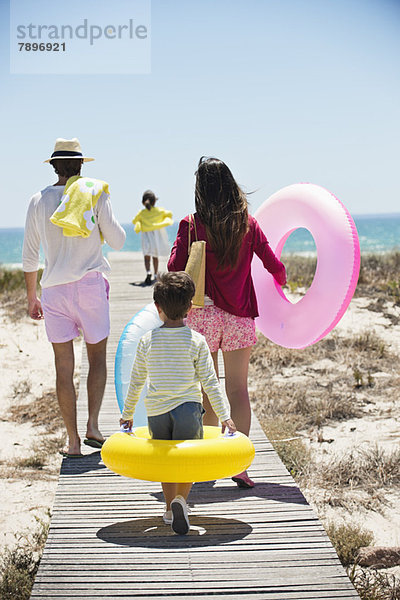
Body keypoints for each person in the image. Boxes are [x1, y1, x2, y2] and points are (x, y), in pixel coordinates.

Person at [168, 157, 286, 489]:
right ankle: (238, 464)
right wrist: (282, 281)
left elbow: (175, 268)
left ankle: (207, 462)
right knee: (238, 390)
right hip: (239, 316)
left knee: (208, 391)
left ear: (200, 190)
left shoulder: (190, 225)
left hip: (202, 317)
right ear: (231, 185)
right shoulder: (247, 224)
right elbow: (274, 265)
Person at [22, 137, 126, 458]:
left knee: (63, 367)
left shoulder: (38, 200)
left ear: (54, 166)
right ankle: (93, 425)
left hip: (54, 291)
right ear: (81, 165)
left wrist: (31, 297)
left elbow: (29, 257)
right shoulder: (95, 192)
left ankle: (73, 442)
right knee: (96, 360)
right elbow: (118, 241)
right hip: (90, 285)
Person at [120, 271, 236, 535]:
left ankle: (170, 511)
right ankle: (181, 500)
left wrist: (128, 413)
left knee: (166, 460)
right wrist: (225, 415)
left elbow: (136, 379)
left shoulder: (148, 340)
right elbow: (211, 382)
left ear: (158, 308)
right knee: (187, 459)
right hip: (188, 409)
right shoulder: (196, 341)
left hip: (157, 411)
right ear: (189, 307)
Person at [132, 190, 173, 285]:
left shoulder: (141, 213)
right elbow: (169, 214)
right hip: (155, 236)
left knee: (146, 256)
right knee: (155, 256)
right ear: (154, 201)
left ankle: (148, 272)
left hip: (146, 236)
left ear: (143, 202)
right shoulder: (159, 211)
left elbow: (135, 221)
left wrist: (139, 224)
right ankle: (155, 275)